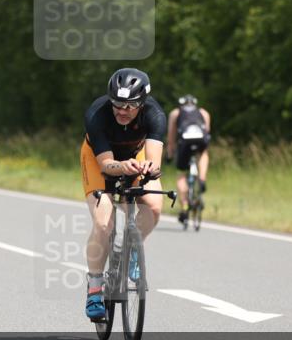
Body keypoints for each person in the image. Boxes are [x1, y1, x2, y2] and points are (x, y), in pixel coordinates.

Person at [81, 68, 166, 321]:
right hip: (99, 160)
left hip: (134, 156)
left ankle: (132, 251)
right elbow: (107, 165)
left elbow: (155, 162)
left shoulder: (155, 115)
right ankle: (95, 288)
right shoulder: (97, 114)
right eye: (117, 103)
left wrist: (149, 167)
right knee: (103, 222)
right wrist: (122, 167)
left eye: (130, 106)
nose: (122, 110)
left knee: (153, 205)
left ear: (142, 103)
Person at [166, 94, 211, 225]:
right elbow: (207, 132)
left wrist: (170, 153)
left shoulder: (175, 113)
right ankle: (202, 178)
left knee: (181, 174)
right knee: (203, 153)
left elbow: (171, 136)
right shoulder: (203, 112)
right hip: (200, 139)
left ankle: (185, 206)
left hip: (184, 142)